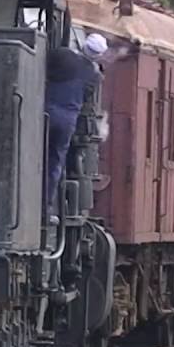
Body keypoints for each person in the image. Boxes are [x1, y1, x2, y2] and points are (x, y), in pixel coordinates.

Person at [44, 33, 107, 221]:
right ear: (98, 55)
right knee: (55, 162)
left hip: (45, 110)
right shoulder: (95, 76)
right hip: (67, 120)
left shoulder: (63, 56)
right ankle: (45, 207)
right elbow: (87, 98)